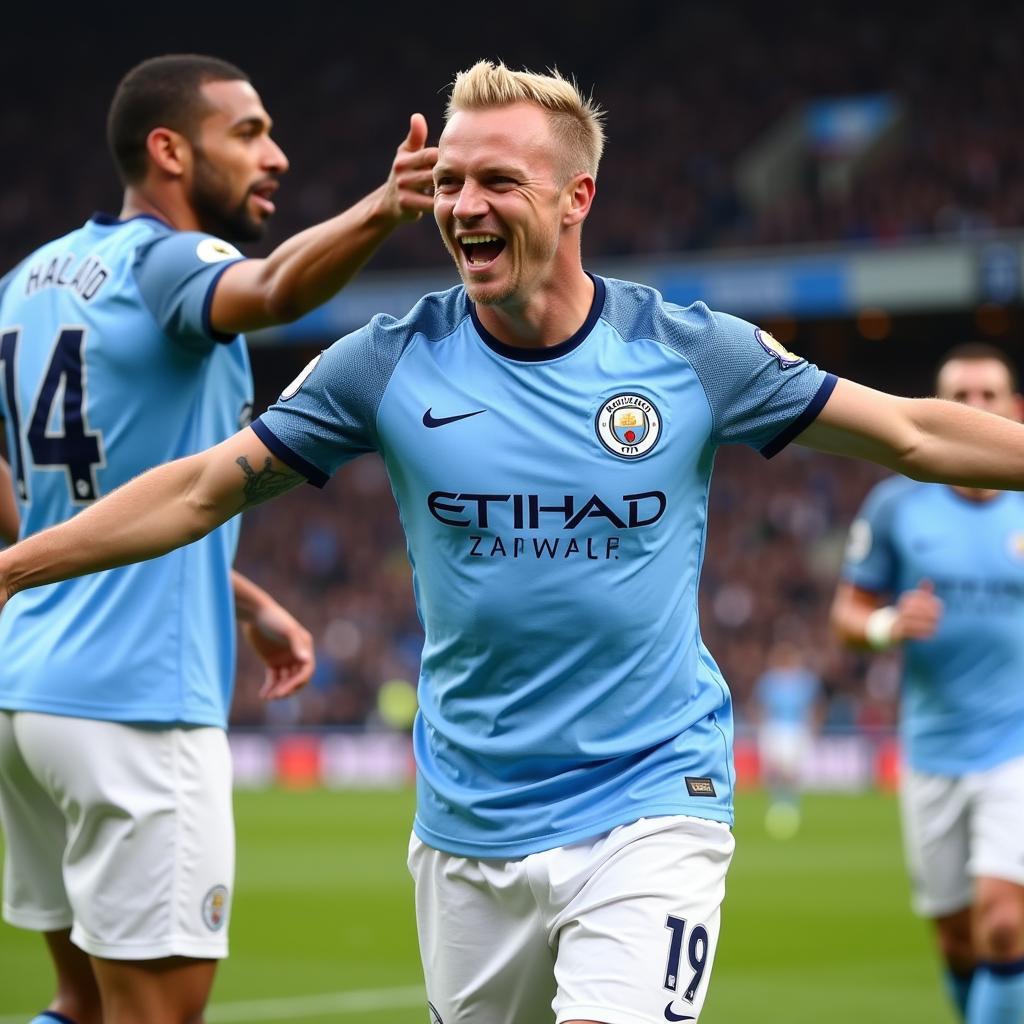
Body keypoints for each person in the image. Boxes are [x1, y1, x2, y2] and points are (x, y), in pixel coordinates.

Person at [3, 61, 1024, 1024]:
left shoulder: (689, 353)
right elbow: (199, 488)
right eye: (448, 181)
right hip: (468, 822)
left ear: (576, 197)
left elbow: (912, 430)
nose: (462, 206)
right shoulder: (385, 365)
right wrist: (13, 564)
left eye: (497, 179)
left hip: (652, 798)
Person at [0, 53, 436, 1024]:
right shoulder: (168, 261)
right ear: (168, 149)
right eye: (247, 134)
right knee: (157, 1015)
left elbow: (31, 498)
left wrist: (238, 597)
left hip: (26, 695)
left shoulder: (26, 281)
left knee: (79, 1002)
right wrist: (384, 207)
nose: (274, 157)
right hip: (134, 703)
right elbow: (277, 288)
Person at [831, 343, 1024, 1024]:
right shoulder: (896, 507)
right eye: (959, 398)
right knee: (959, 938)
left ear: (1014, 411)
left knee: (1004, 921)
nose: (974, 409)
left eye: (988, 397)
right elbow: (846, 615)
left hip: (1016, 749)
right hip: (933, 749)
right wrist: (887, 624)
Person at [748, 641, 823, 839]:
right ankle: (778, 806)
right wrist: (761, 728)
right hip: (775, 729)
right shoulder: (769, 681)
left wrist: (812, 727)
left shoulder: (805, 681)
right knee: (776, 772)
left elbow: (814, 707)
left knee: (791, 773)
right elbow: (760, 706)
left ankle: (790, 807)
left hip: (796, 730)